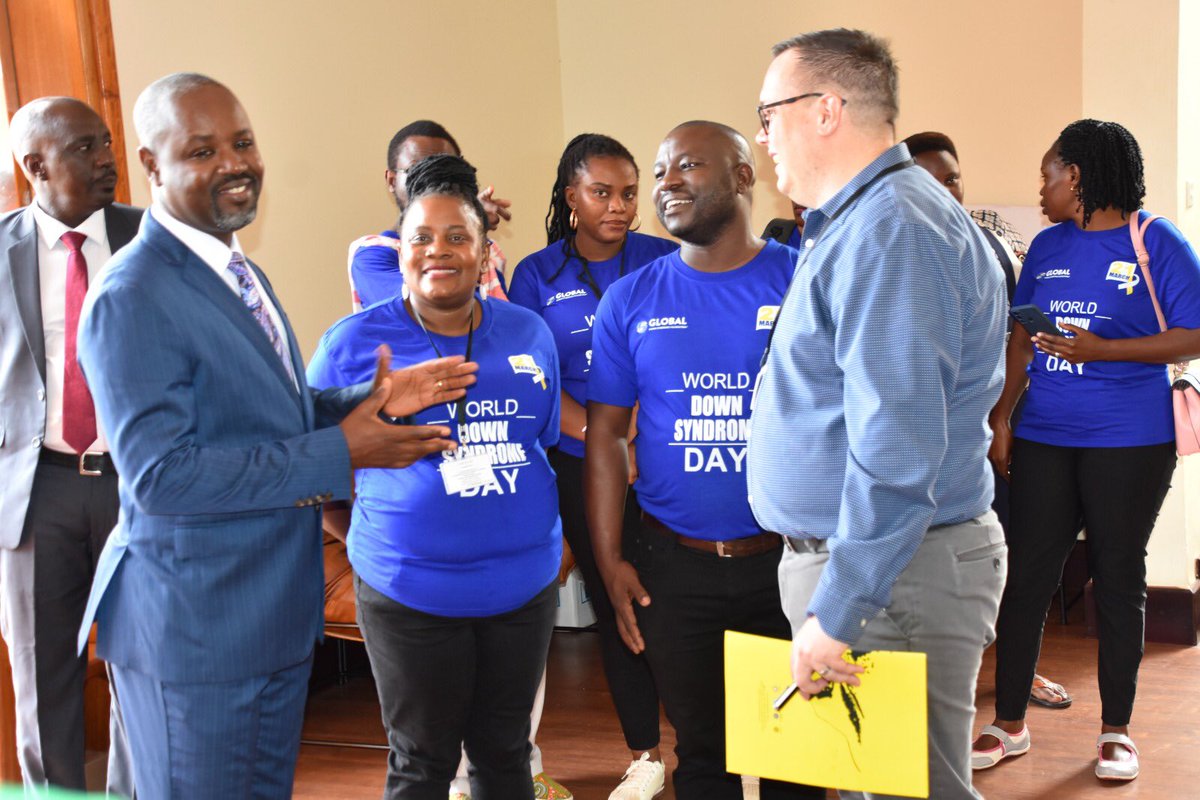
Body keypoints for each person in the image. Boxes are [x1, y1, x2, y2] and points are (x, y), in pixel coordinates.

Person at [75, 73, 476, 799]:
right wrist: (342, 451)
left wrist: (370, 401)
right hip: (197, 635)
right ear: (151, 165)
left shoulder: (236, 269)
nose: (234, 162)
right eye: (202, 150)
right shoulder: (132, 296)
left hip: (268, 620)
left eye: (243, 142)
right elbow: (164, 477)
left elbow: (257, 413)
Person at [750, 29, 1008, 799]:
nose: (763, 138)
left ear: (825, 110)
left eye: (768, 114)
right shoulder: (862, 220)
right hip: (880, 569)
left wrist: (837, 610)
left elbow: (898, 447)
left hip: (892, 576)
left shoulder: (891, 227)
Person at [308, 154, 563, 799]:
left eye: (458, 237)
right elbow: (315, 465)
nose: (438, 251)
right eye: (420, 237)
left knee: (506, 755)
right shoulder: (353, 344)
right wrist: (375, 542)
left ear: (485, 254)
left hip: (521, 589)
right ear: (399, 252)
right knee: (422, 761)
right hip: (409, 594)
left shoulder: (529, 333)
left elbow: (544, 441)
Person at [586, 120, 819, 800]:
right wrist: (608, 560)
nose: (667, 183)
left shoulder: (803, 282)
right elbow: (605, 436)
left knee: (798, 758)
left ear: (745, 176)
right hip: (673, 566)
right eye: (660, 171)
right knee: (704, 757)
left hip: (789, 561)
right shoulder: (631, 299)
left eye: (688, 165)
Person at [972, 120, 1200, 782]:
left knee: (1118, 578)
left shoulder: (1155, 241)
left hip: (1131, 440)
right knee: (1029, 577)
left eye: (1048, 175)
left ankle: (1116, 733)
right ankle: (1008, 723)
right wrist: (1003, 415)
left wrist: (1105, 350)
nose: (1040, 188)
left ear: (1076, 176)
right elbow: (1022, 337)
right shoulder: (1045, 247)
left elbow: (1192, 333)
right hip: (1045, 435)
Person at [507, 133, 677, 800]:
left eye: (629, 192)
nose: (618, 205)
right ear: (570, 198)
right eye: (601, 192)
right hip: (580, 461)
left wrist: (636, 434)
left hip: (664, 457)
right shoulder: (536, 275)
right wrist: (607, 437)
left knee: (680, 601)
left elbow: (679, 357)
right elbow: (535, 379)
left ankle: (714, 744)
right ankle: (645, 754)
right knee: (617, 601)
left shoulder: (663, 259)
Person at [904, 129, 1071, 712]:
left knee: (1005, 549)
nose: (945, 189)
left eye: (952, 177)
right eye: (929, 178)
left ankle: (1017, 671)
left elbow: (1019, 330)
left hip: (997, 422)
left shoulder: (993, 239)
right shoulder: (891, 247)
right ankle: (935, 680)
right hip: (921, 435)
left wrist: (1002, 420)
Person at [0, 96, 137, 796]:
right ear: (35, 166)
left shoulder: (153, 240)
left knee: (140, 668)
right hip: (35, 493)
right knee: (42, 671)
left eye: (107, 142)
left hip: (136, 484)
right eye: (85, 147)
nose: (107, 159)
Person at [348, 120, 511, 310]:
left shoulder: (488, 252)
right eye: (416, 170)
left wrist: (472, 225)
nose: (432, 182)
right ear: (392, 180)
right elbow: (432, 309)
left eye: (444, 170)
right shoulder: (372, 254)